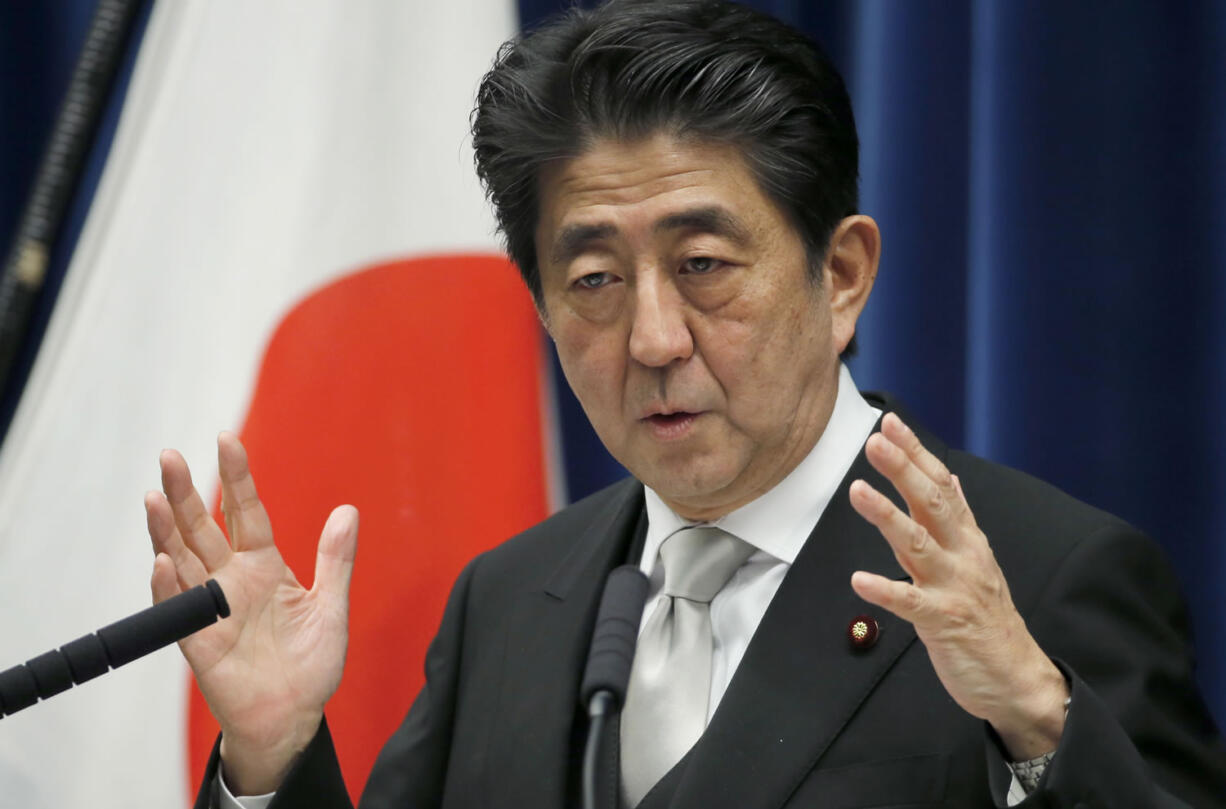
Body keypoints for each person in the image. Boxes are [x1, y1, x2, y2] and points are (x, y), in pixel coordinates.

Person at [145, 2, 1226, 807]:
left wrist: (1041, 727)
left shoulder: (1041, 577)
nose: (654, 339)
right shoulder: (509, 602)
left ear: (840, 276)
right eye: (595, 282)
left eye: (704, 264)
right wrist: (271, 756)